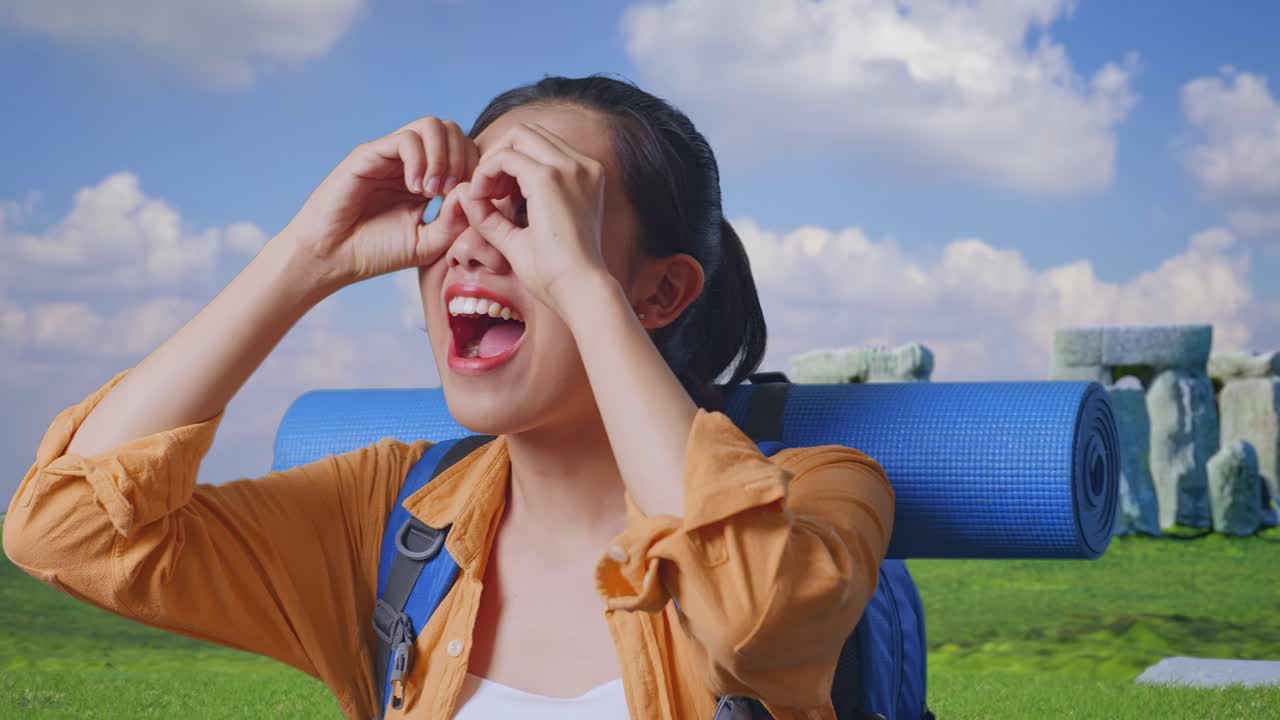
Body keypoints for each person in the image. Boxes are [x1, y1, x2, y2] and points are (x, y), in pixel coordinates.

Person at [3, 75, 895, 720]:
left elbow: (755, 623)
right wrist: (303, 261)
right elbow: (64, 532)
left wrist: (584, 289)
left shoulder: (823, 493)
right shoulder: (388, 518)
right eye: (463, 210)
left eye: (530, 213)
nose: (472, 246)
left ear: (660, 294)